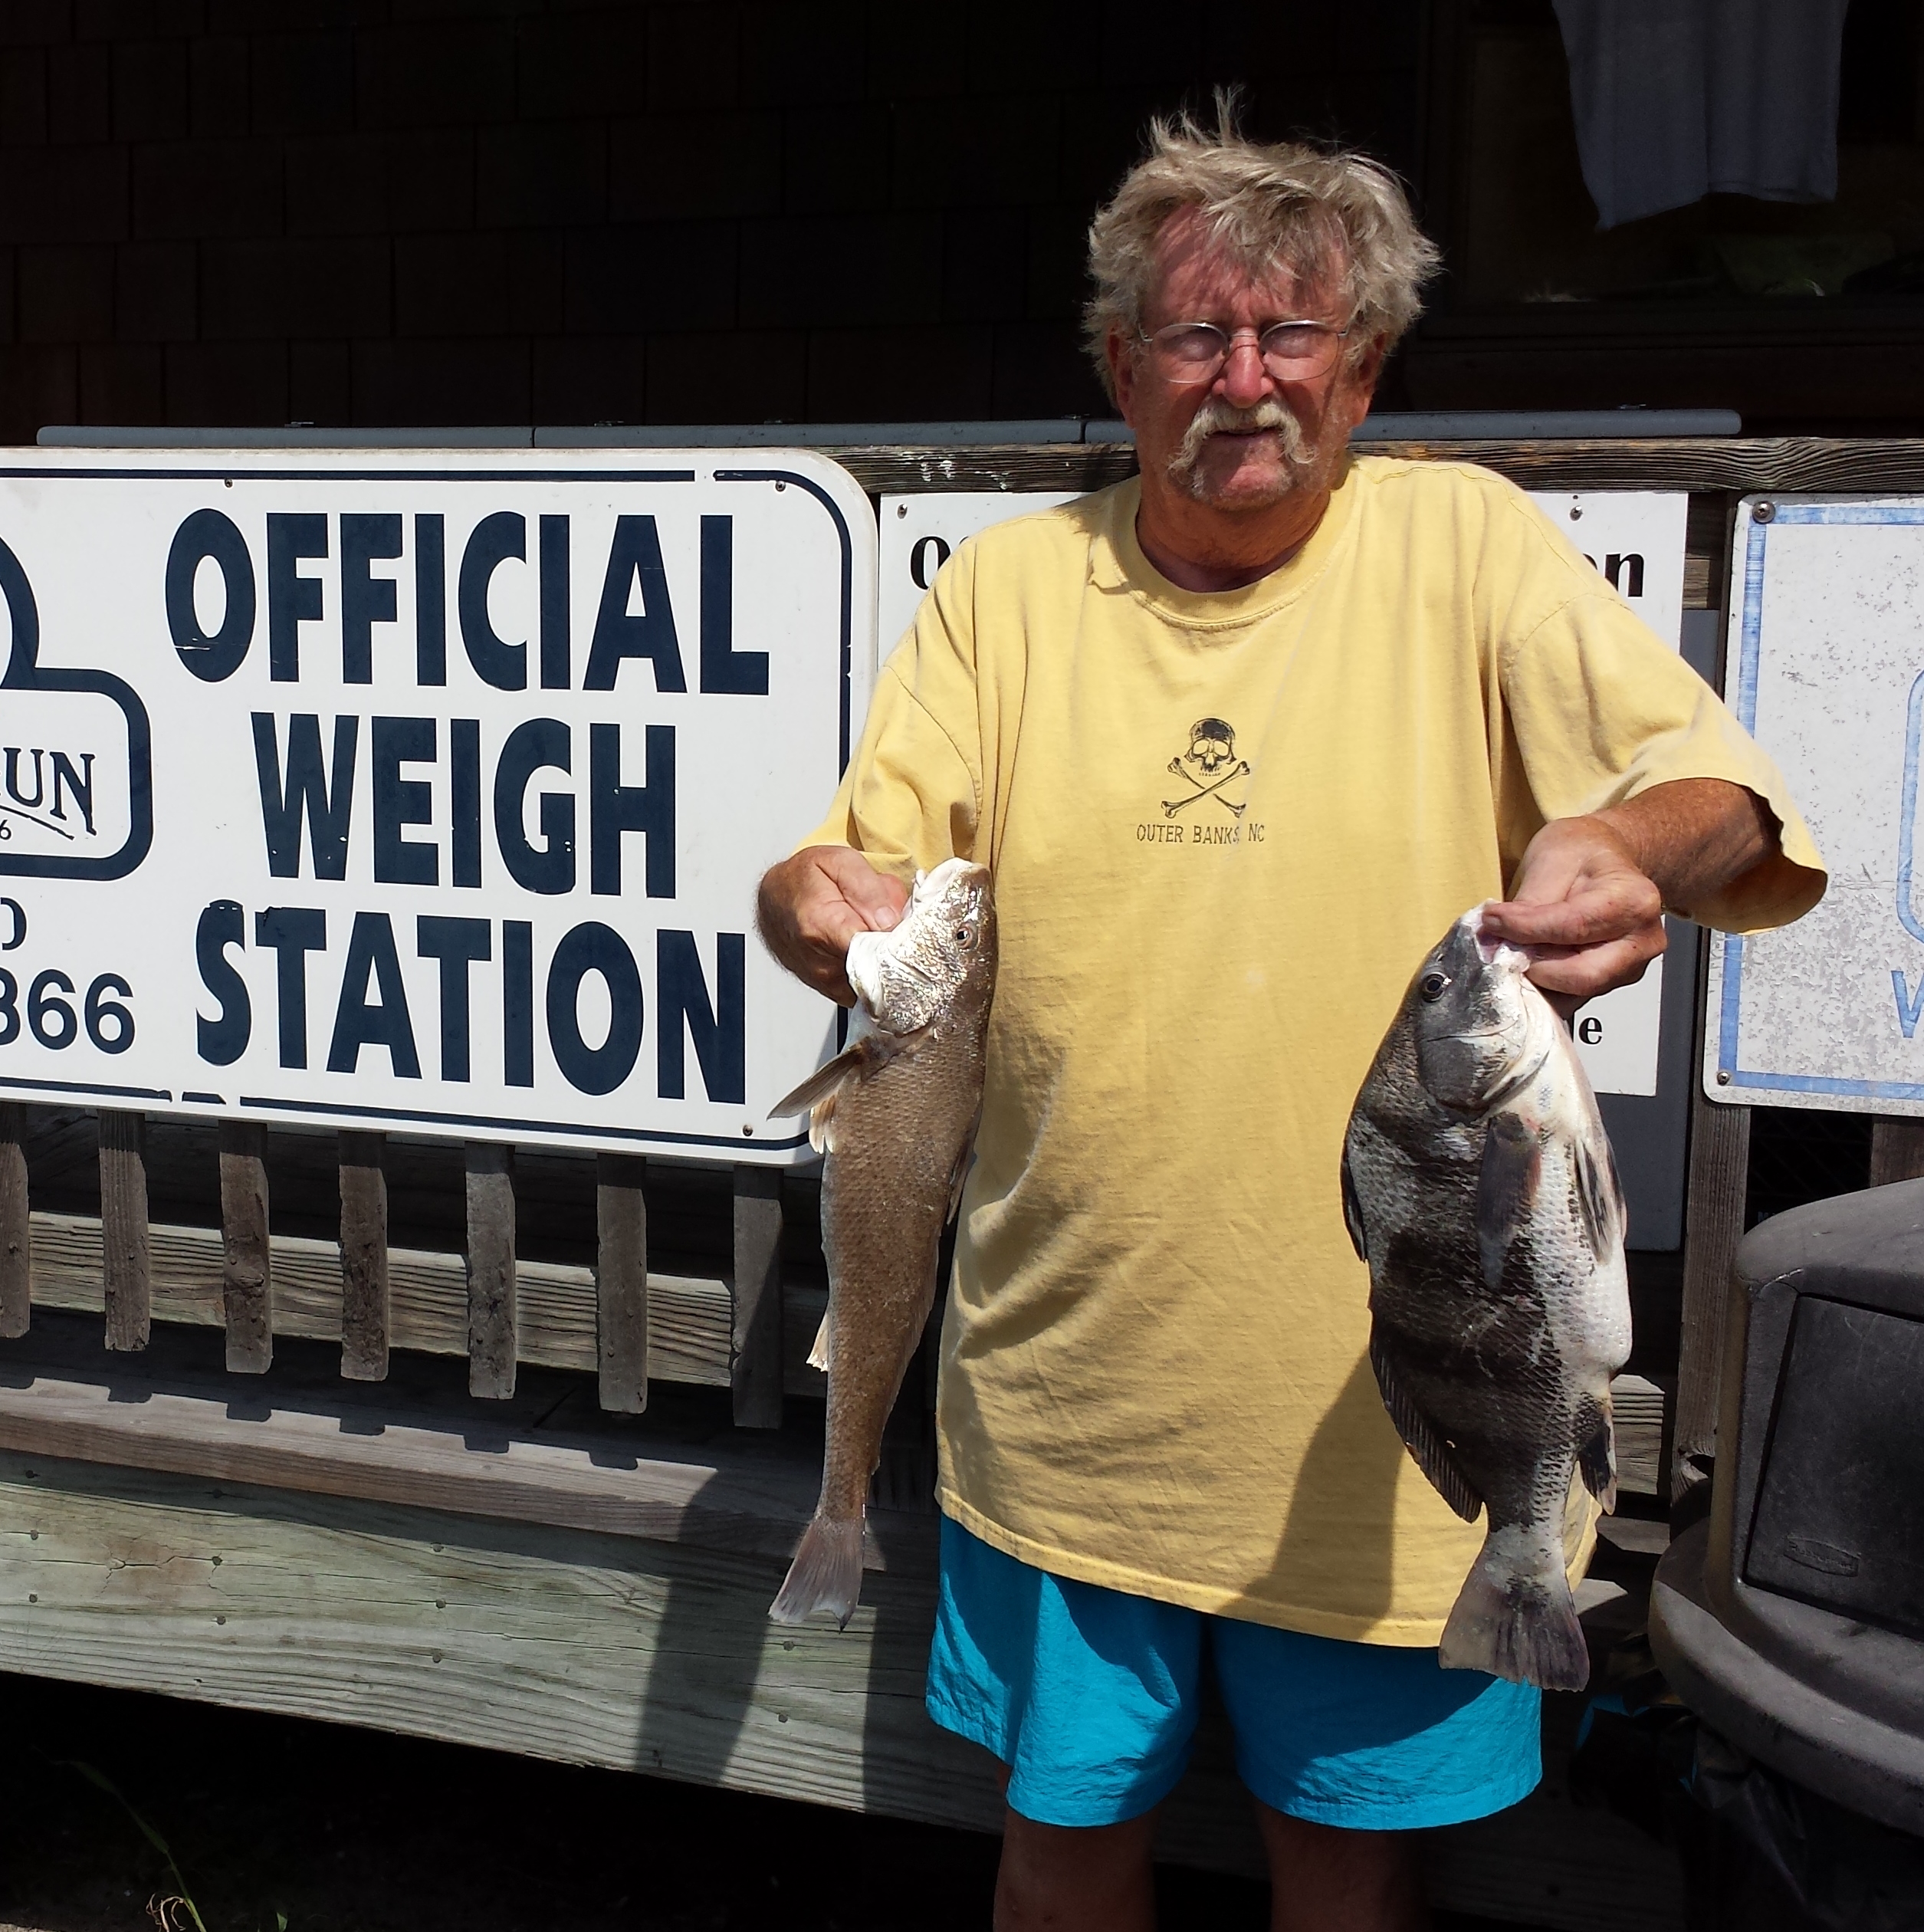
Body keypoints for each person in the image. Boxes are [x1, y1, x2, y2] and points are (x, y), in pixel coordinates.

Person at [757, 108, 1824, 1932]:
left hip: (1402, 1434)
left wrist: (1620, 846)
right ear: (1118, 365)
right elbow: (856, 874)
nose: (1240, 383)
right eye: (1192, 336)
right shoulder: (1009, 594)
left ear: (1364, 367)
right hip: (1064, 1413)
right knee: (1059, 1845)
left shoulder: (1469, 553)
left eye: (1290, 338)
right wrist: (804, 900)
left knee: (1344, 1869)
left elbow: (1717, 799)